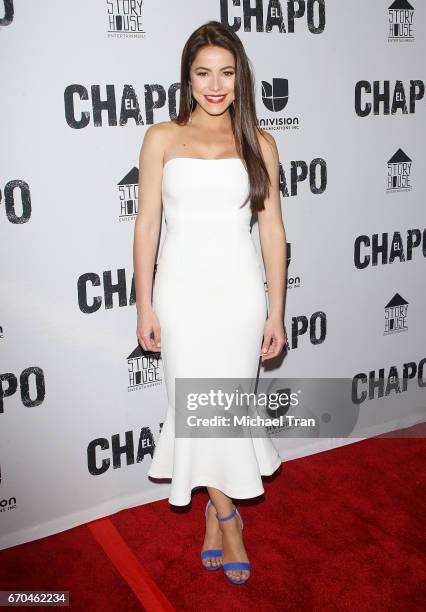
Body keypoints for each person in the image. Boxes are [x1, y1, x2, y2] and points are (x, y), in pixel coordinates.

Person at [133, 20, 287, 585]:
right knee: (194, 408)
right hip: (180, 295)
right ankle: (226, 513)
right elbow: (147, 224)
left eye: (226, 72)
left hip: (240, 296)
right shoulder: (161, 138)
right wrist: (143, 304)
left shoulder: (260, 143)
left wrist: (276, 311)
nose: (215, 85)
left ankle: (218, 513)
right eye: (203, 73)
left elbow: (272, 229)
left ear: (239, 77)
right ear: (188, 77)